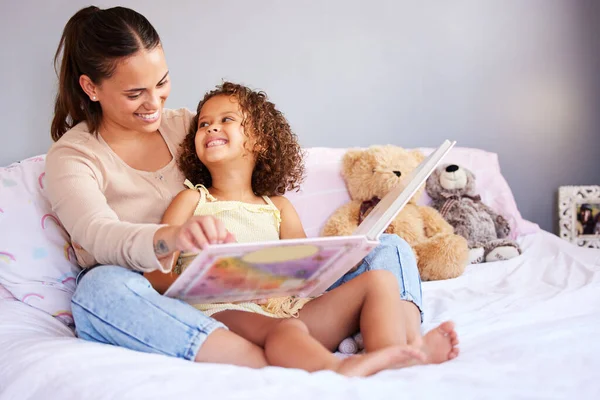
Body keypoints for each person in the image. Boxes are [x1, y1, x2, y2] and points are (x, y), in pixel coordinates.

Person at [45, 5, 458, 375]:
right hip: (173, 298)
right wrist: (169, 238)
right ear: (91, 87)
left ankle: (402, 349)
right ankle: (280, 357)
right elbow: (98, 233)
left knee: (390, 248)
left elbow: (246, 148)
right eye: (135, 93)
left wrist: (329, 258)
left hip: (275, 298)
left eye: (163, 83)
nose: (155, 103)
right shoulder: (74, 157)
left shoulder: (188, 125)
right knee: (99, 291)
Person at [143, 81, 459, 374]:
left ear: (261, 141)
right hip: (221, 309)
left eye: (227, 119)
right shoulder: (191, 200)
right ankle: (339, 370)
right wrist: (194, 279)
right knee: (283, 331)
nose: (211, 126)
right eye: (203, 123)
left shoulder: (278, 207)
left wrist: (345, 256)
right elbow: (153, 273)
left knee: (380, 280)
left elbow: (308, 272)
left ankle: (396, 356)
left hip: (290, 309)